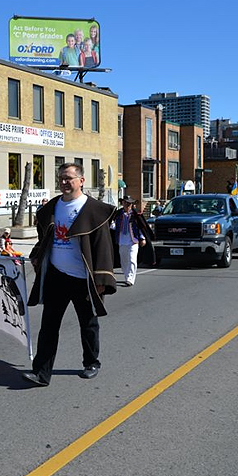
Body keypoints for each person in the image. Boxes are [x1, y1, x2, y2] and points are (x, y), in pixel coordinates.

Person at [23, 162, 117, 387]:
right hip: (56, 276)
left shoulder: (93, 210)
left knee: (88, 323)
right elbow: (44, 238)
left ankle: (91, 362)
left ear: (81, 181)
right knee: (49, 325)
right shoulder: (52, 207)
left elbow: (103, 247)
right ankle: (41, 373)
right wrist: (36, 255)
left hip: (83, 278)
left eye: (69, 178)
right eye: (61, 178)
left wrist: (101, 279)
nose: (64, 182)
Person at [111, 196, 146, 287]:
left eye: (129, 203)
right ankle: (127, 276)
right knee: (124, 261)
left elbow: (141, 227)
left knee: (132, 259)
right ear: (122, 203)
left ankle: (130, 279)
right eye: (125, 202)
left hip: (133, 240)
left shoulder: (135, 215)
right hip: (121, 240)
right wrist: (111, 224)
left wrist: (142, 238)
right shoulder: (118, 214)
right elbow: (113, 226)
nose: (127, 205)